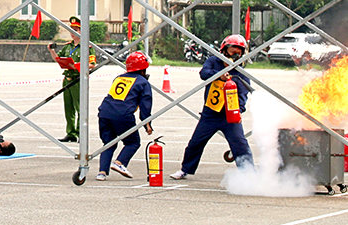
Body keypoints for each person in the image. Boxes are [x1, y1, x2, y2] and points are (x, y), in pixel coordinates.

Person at [170, 34, 254, 180]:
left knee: (240, 144)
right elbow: (204, 73)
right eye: (233, 49)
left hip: (229, 116)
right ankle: (185, 169)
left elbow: (243, 94)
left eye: (239, 50)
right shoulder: (214, 61)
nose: (236, 53)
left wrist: (238, 111)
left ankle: (249, 174)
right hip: (210, 113)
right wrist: (219, 75)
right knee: (196, 143)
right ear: (225, 49)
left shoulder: (240, 71)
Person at [96, 52, 153, 180]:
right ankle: (120, 163)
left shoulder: (119, 78)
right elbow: (145, 105)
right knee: (133, 142)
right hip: (122, 115)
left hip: (104, 112)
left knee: (108, 143)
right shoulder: (143, 82)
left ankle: (102, 172)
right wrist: (147, 123)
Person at [47, 16, 96, 142]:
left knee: (80, 107)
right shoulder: (67, 47)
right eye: (72, 29)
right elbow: (59, 59)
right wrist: (52, 51)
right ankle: (71, 133)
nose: (73, 32)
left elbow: (92, 64)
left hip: (78, 79)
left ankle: (80, 133)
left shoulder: (86, 47)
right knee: (68, 108)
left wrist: (77, 66)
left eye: (76, 29)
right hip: (67, 79)